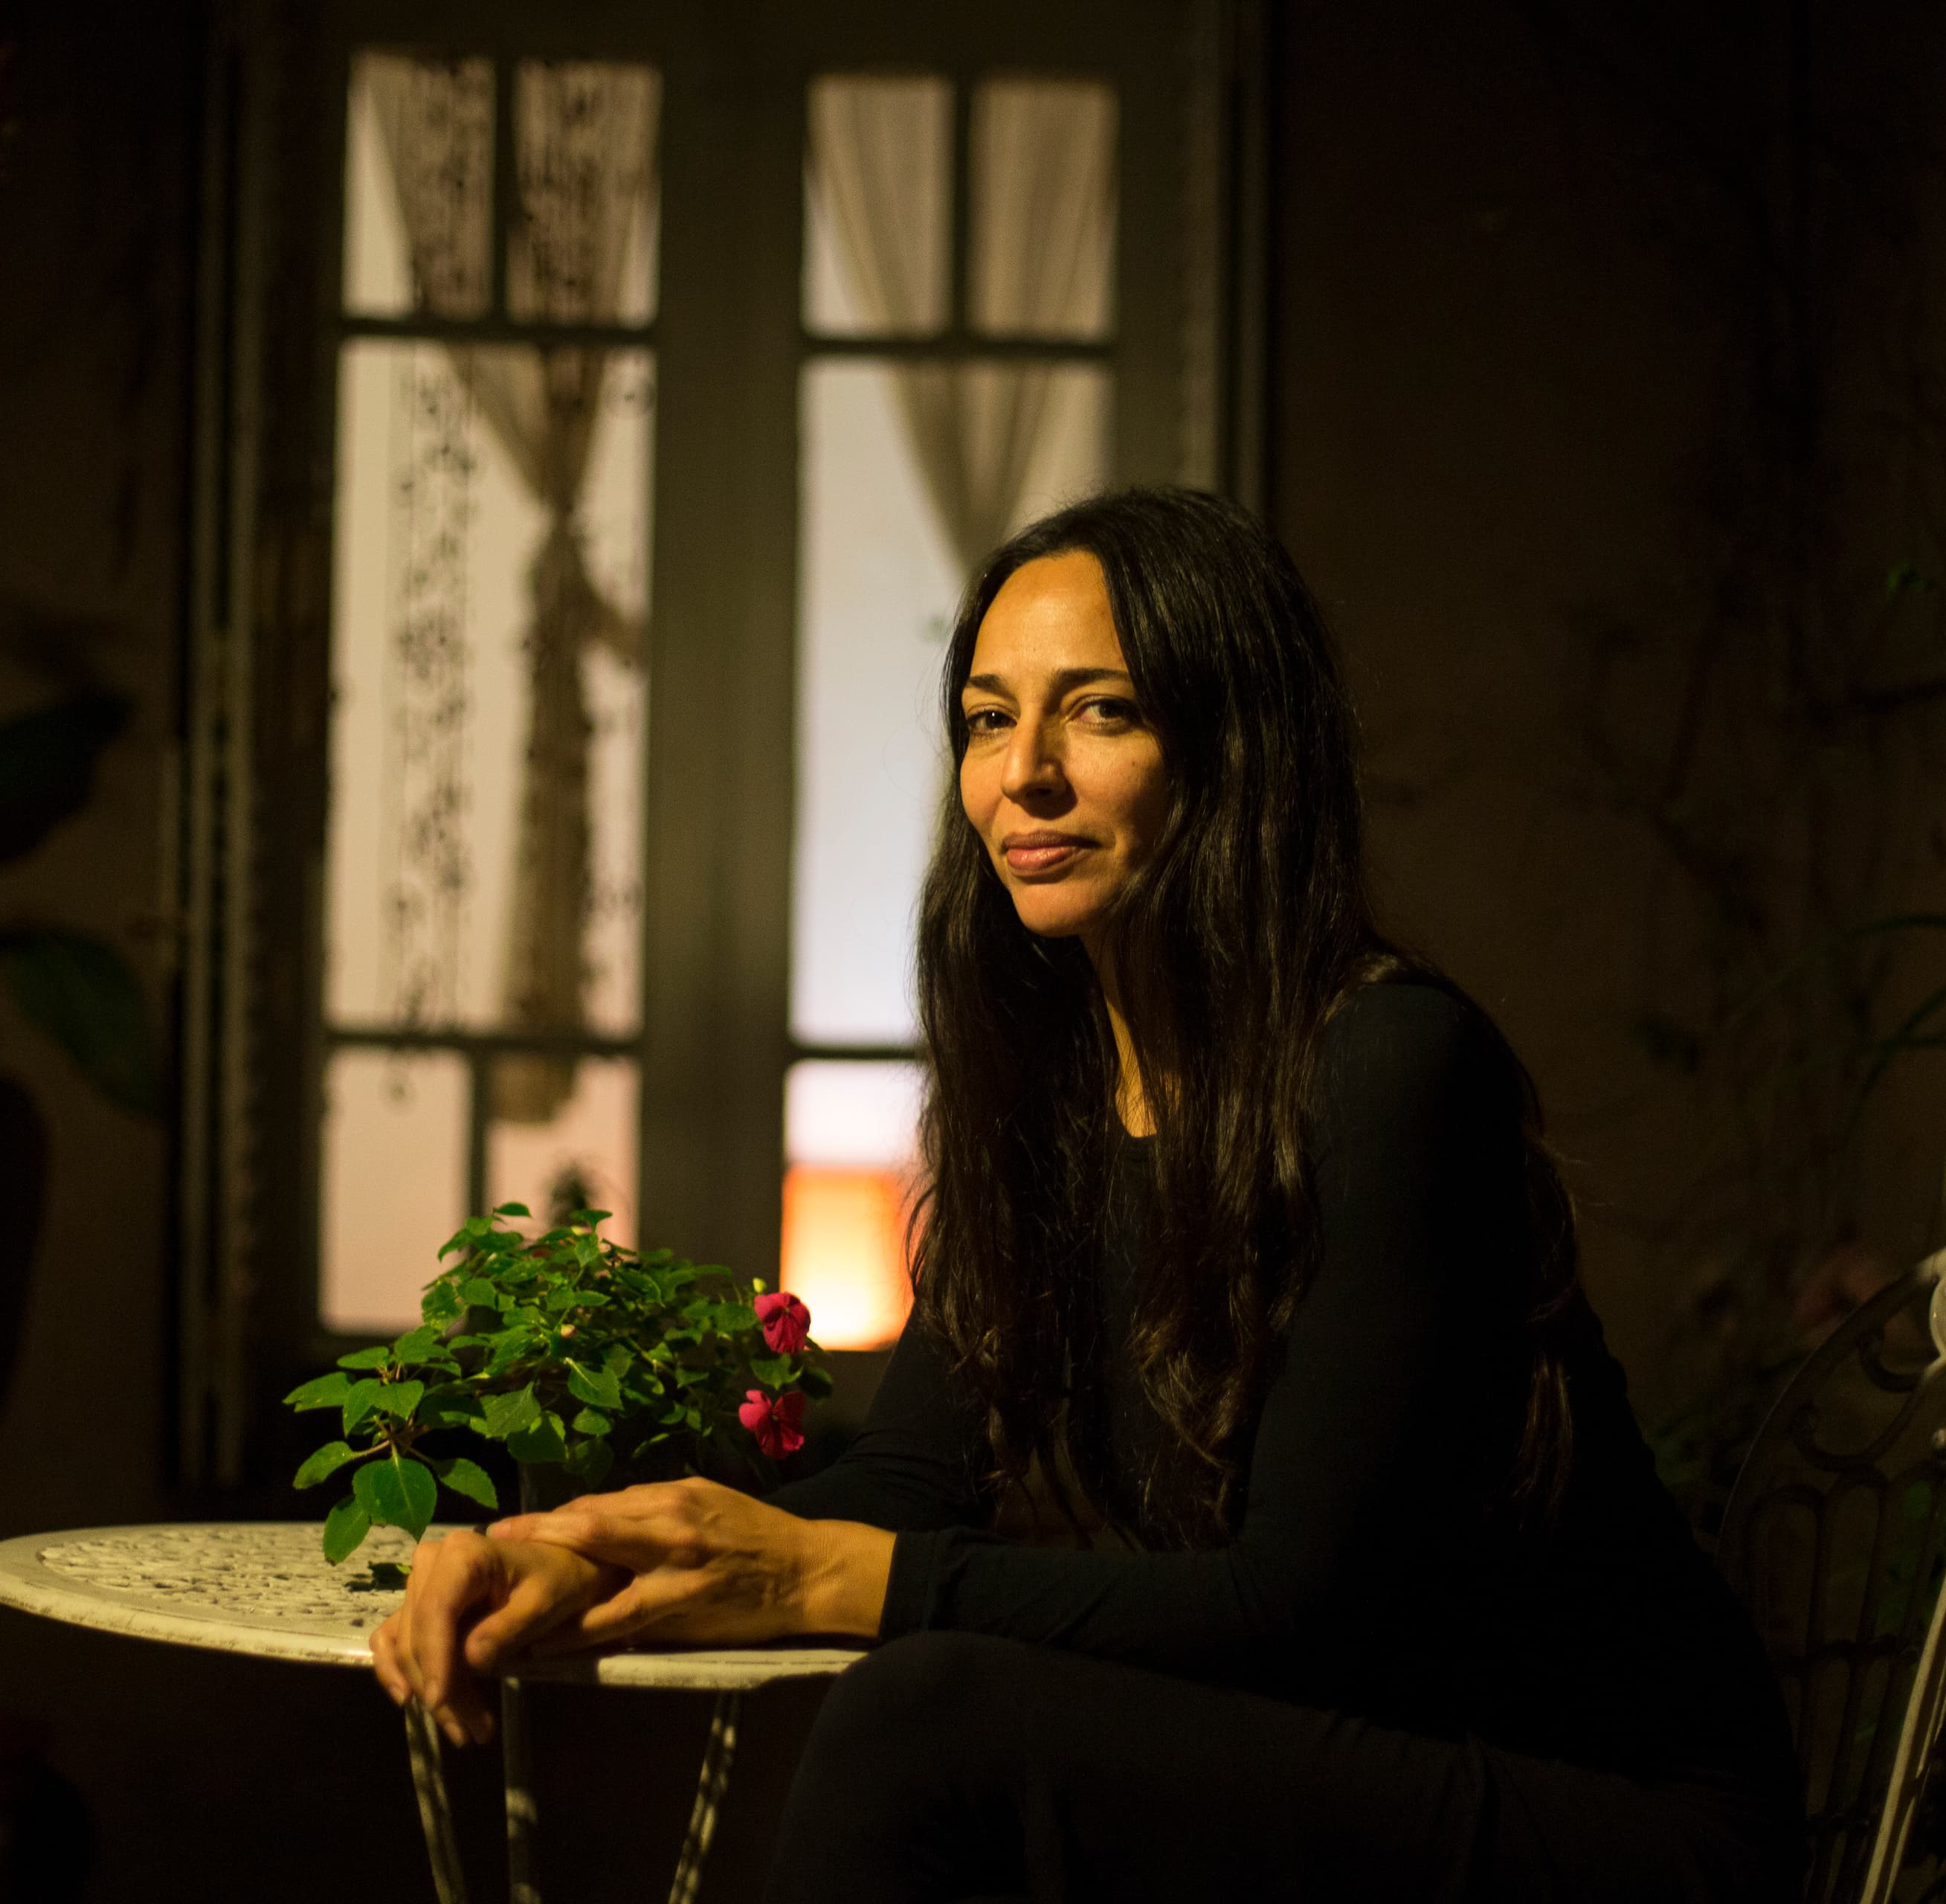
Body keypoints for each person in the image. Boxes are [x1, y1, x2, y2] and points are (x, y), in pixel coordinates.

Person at [368, 489, 1802, 1902]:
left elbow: (1300, 1610)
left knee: (937, 1719)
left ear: (1234, 751)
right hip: (1342, 1764)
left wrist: (820, 1581)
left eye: (1100, 710)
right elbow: (906, 1483)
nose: (1023, 776)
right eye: (990, 717)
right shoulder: (1043, 1104)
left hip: (1600, 1812)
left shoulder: (1392, 1063)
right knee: (944, 1706)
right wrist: (577, 1550)